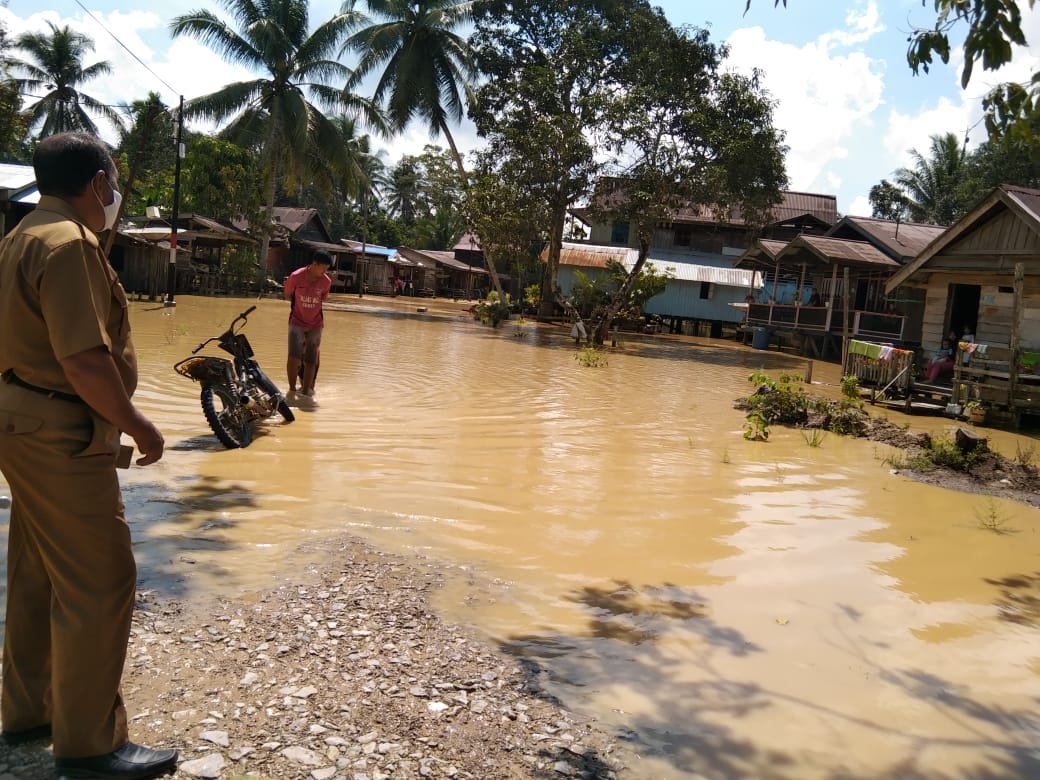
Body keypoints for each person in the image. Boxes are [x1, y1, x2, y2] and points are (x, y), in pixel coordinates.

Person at [0, 133, 177, 778]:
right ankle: (89, 745)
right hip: (60, 431)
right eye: (114, 182)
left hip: (20, 421)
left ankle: (29, 711)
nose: (115, 195)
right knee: (101, 580)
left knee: (38, 571)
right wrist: (137, 424)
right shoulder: (70, 243)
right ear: (99, 182)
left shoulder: (22, 234)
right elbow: (82, 357)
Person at [284, 251, 332, 397]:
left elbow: (323, 299)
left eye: (327, 269)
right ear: (314, 264)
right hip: (297, 321)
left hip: (316, 324)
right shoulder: (296, 276)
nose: (325, 272)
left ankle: (306, 391)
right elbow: (287, 294)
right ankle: (292, 390)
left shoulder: (326, 281)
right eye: (323, 268)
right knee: (293, 357)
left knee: (311, 360)